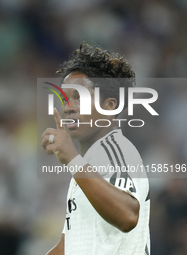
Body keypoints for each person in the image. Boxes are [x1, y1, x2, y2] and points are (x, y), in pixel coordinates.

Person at [41, 42, 150, 255]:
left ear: (110, 106)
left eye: (79, 97)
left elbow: (128, 216)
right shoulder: (86, 168)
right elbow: (67, 248)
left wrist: (72, 158)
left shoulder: (116, 150)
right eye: (65, 98)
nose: (68, 107)